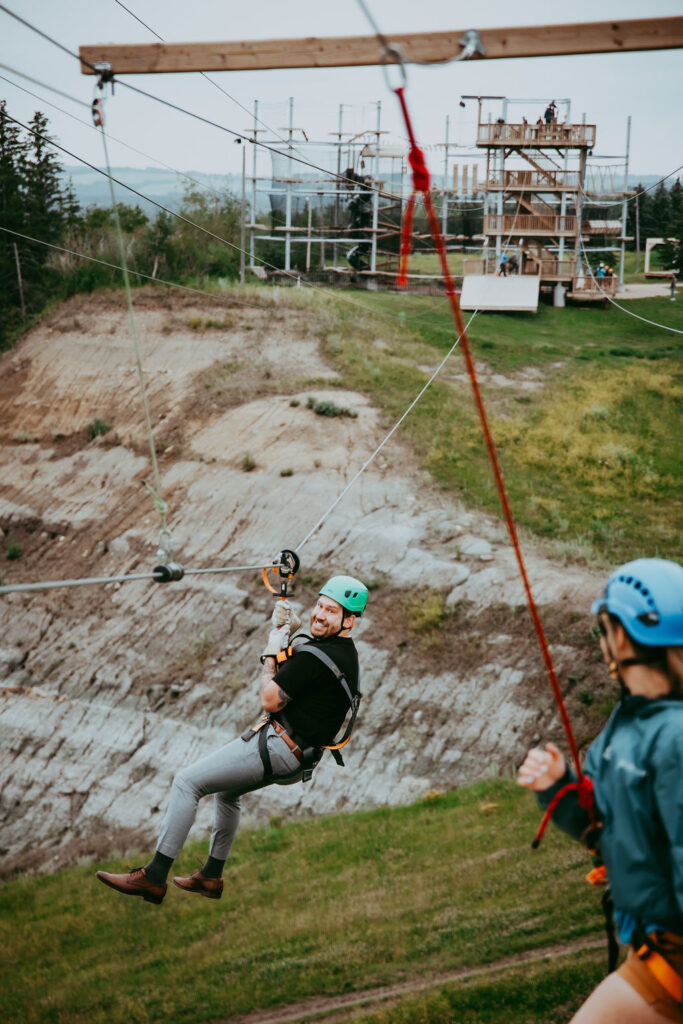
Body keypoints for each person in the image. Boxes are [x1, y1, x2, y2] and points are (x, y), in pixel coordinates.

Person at [96, 574, 368, 905]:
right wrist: (290, 630)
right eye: (319, 606)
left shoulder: (316, 659)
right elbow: (304, 659)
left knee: (187, 783)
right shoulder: (342, 653)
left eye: (331, 611)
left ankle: (153, 878)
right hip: (300, 758)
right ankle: (211, 876)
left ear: (349, 620)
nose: (319, 615)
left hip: (279, 747)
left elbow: (270, 698)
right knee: (227, 794)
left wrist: (271, 654)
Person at [518, 558, 683, 1023]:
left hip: (671, 965)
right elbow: (613, 834)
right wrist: (561, 792)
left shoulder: (674, 737)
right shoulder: (625, 726)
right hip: (650, 951)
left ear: (623, 635)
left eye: (604, 628)